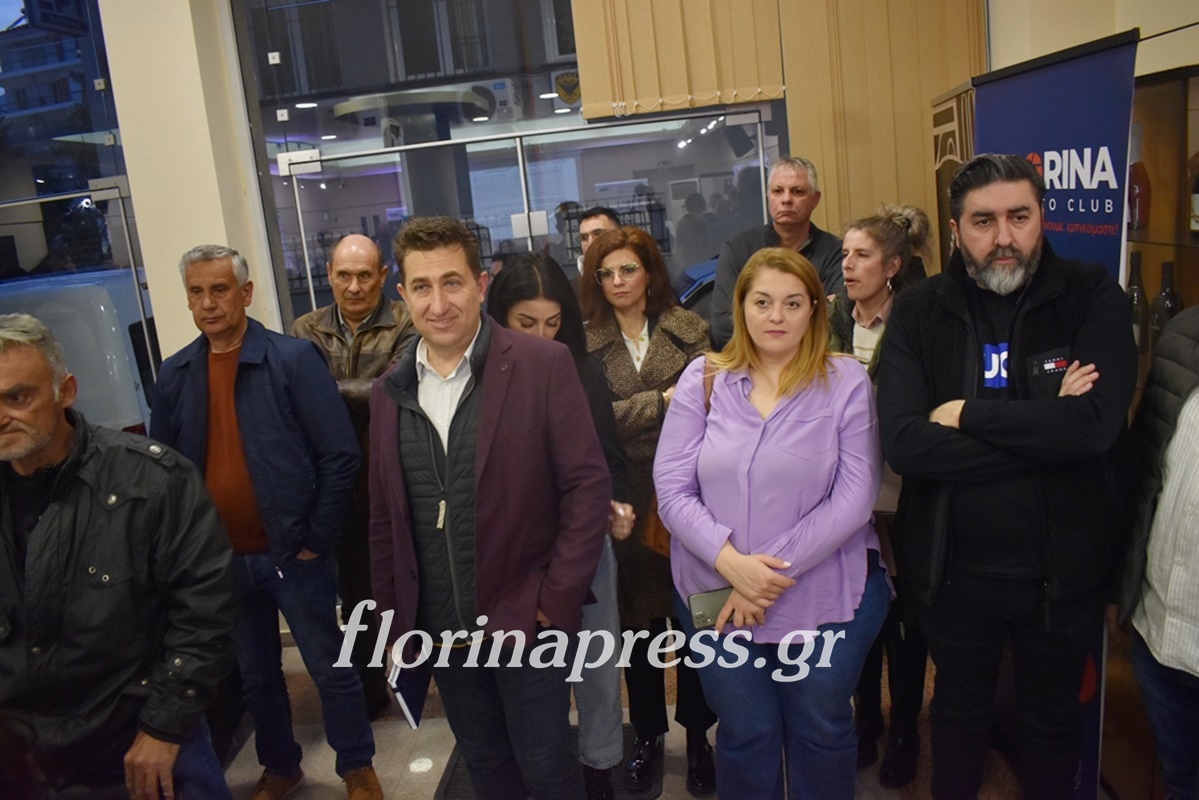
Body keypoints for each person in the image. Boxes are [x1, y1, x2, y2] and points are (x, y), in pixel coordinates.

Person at [876, 153, 1137, 798]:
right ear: (956, 228)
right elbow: (906, 443)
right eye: (983, 221)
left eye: (1019, 217)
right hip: (952, 572)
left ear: (1041, 217)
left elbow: (1095, 428)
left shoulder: (1090, 296)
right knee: (958, 716)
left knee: (1051, 725)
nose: (1003, 237)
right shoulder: (919, 311)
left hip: (1062, 574)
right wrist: (1049, 428)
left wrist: (965, 415)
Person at [369, 217, 610, 800]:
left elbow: (586, 487)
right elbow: (383, 518)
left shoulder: (541, 365)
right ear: (402, 295)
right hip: (441, 629)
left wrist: (556, 600)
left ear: (480, 285)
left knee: (547, 767)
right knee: (485, 765)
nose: (438, 303)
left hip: (526, 617)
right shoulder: (388, 392)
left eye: (452, 282)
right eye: (422, 287)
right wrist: (394, 621)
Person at [654, 247, 888, 799]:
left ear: (815, 309)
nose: (776, 316)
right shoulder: (703, 378)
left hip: (824, 591)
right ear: (741, 307)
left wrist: (762, 576)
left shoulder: (846, 381)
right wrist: (732, 564)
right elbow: (671, 490)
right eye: (762, 302)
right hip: (714, 592)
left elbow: (855, 498)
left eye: (792, 303)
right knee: (745, 730)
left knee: (821, 726)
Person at [150, 245, 382, 800]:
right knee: (256, 677)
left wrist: (316, 538)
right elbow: (165, 472)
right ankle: (280, 765)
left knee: (330, 669)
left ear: (245, 293)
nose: (208, 303)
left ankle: (357, 767)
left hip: (293, 556)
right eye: (197, 293)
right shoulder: (176, 373)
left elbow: (340, 455)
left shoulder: (292, 360)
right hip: (221, 562)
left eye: (220, 289)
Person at [0, 313, 236, 799]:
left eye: (18, 397)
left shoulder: (152, 482)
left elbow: (205, 613)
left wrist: (165, 726)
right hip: (22, 759)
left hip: (139, 742)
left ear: (65, 391)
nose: (2, 416)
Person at [487, 251, 635, 800]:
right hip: (518, 553)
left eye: (553, 323)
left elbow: (608, 457)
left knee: (598, 672)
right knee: (532, 680)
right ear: (498, 318)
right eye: (526, 323)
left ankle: (600, 771)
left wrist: (617, 503)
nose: (542, 337)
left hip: (585, 542)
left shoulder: (582, 368)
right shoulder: (482, 377)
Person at [579, 225, 717, 796]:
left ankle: (700, 736)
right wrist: (661, 402)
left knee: (694, 622)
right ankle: (649, 736)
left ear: (649, 271)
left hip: (687, 493)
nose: (617, 281)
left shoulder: (690, 329)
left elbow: (708, 405)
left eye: (628, 269)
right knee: (637, 630)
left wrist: (639, 413)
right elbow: (594, 421)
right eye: (606, 272)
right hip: (624, 502)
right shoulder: (583, 341)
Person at [291, 232, 417, 718]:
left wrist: (325, 393)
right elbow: (296, 398)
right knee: (351, 595)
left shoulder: (406, 321)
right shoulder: (306, 328)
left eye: (365, 275)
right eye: (344, 275)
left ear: (383, 275)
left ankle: (417, 677)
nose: (355, 286)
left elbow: (396, 389)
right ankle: (365, 688)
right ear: (329, 275)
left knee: (395, 590)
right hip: (329, 485)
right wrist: (357, 393)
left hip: (390, 478)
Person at [829, 205, 931, 787]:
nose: (848, 265)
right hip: (846, 493)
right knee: (858, 613)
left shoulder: (918, 320)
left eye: (861, 255)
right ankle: (865, 720)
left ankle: (905, 730)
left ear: (892, 266)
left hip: (904, 493)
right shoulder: (830, 317)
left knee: (904, 622)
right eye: (844, 254)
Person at [1116, 305, 1199, 799]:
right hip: (1160, 637)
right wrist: (1121, 589)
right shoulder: (1182, 335)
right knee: (1181, 780)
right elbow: (1143, 472)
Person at [710, 157, 844, 348]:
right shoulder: (739, 248)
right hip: (750, 363)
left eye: (797, 191)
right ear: (768, 196)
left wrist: (755, 320)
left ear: (815, 199)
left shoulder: (835, 251)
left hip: (814, 363)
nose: (786, 199)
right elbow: (723, 326)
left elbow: (836, 321)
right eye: (778, 191)